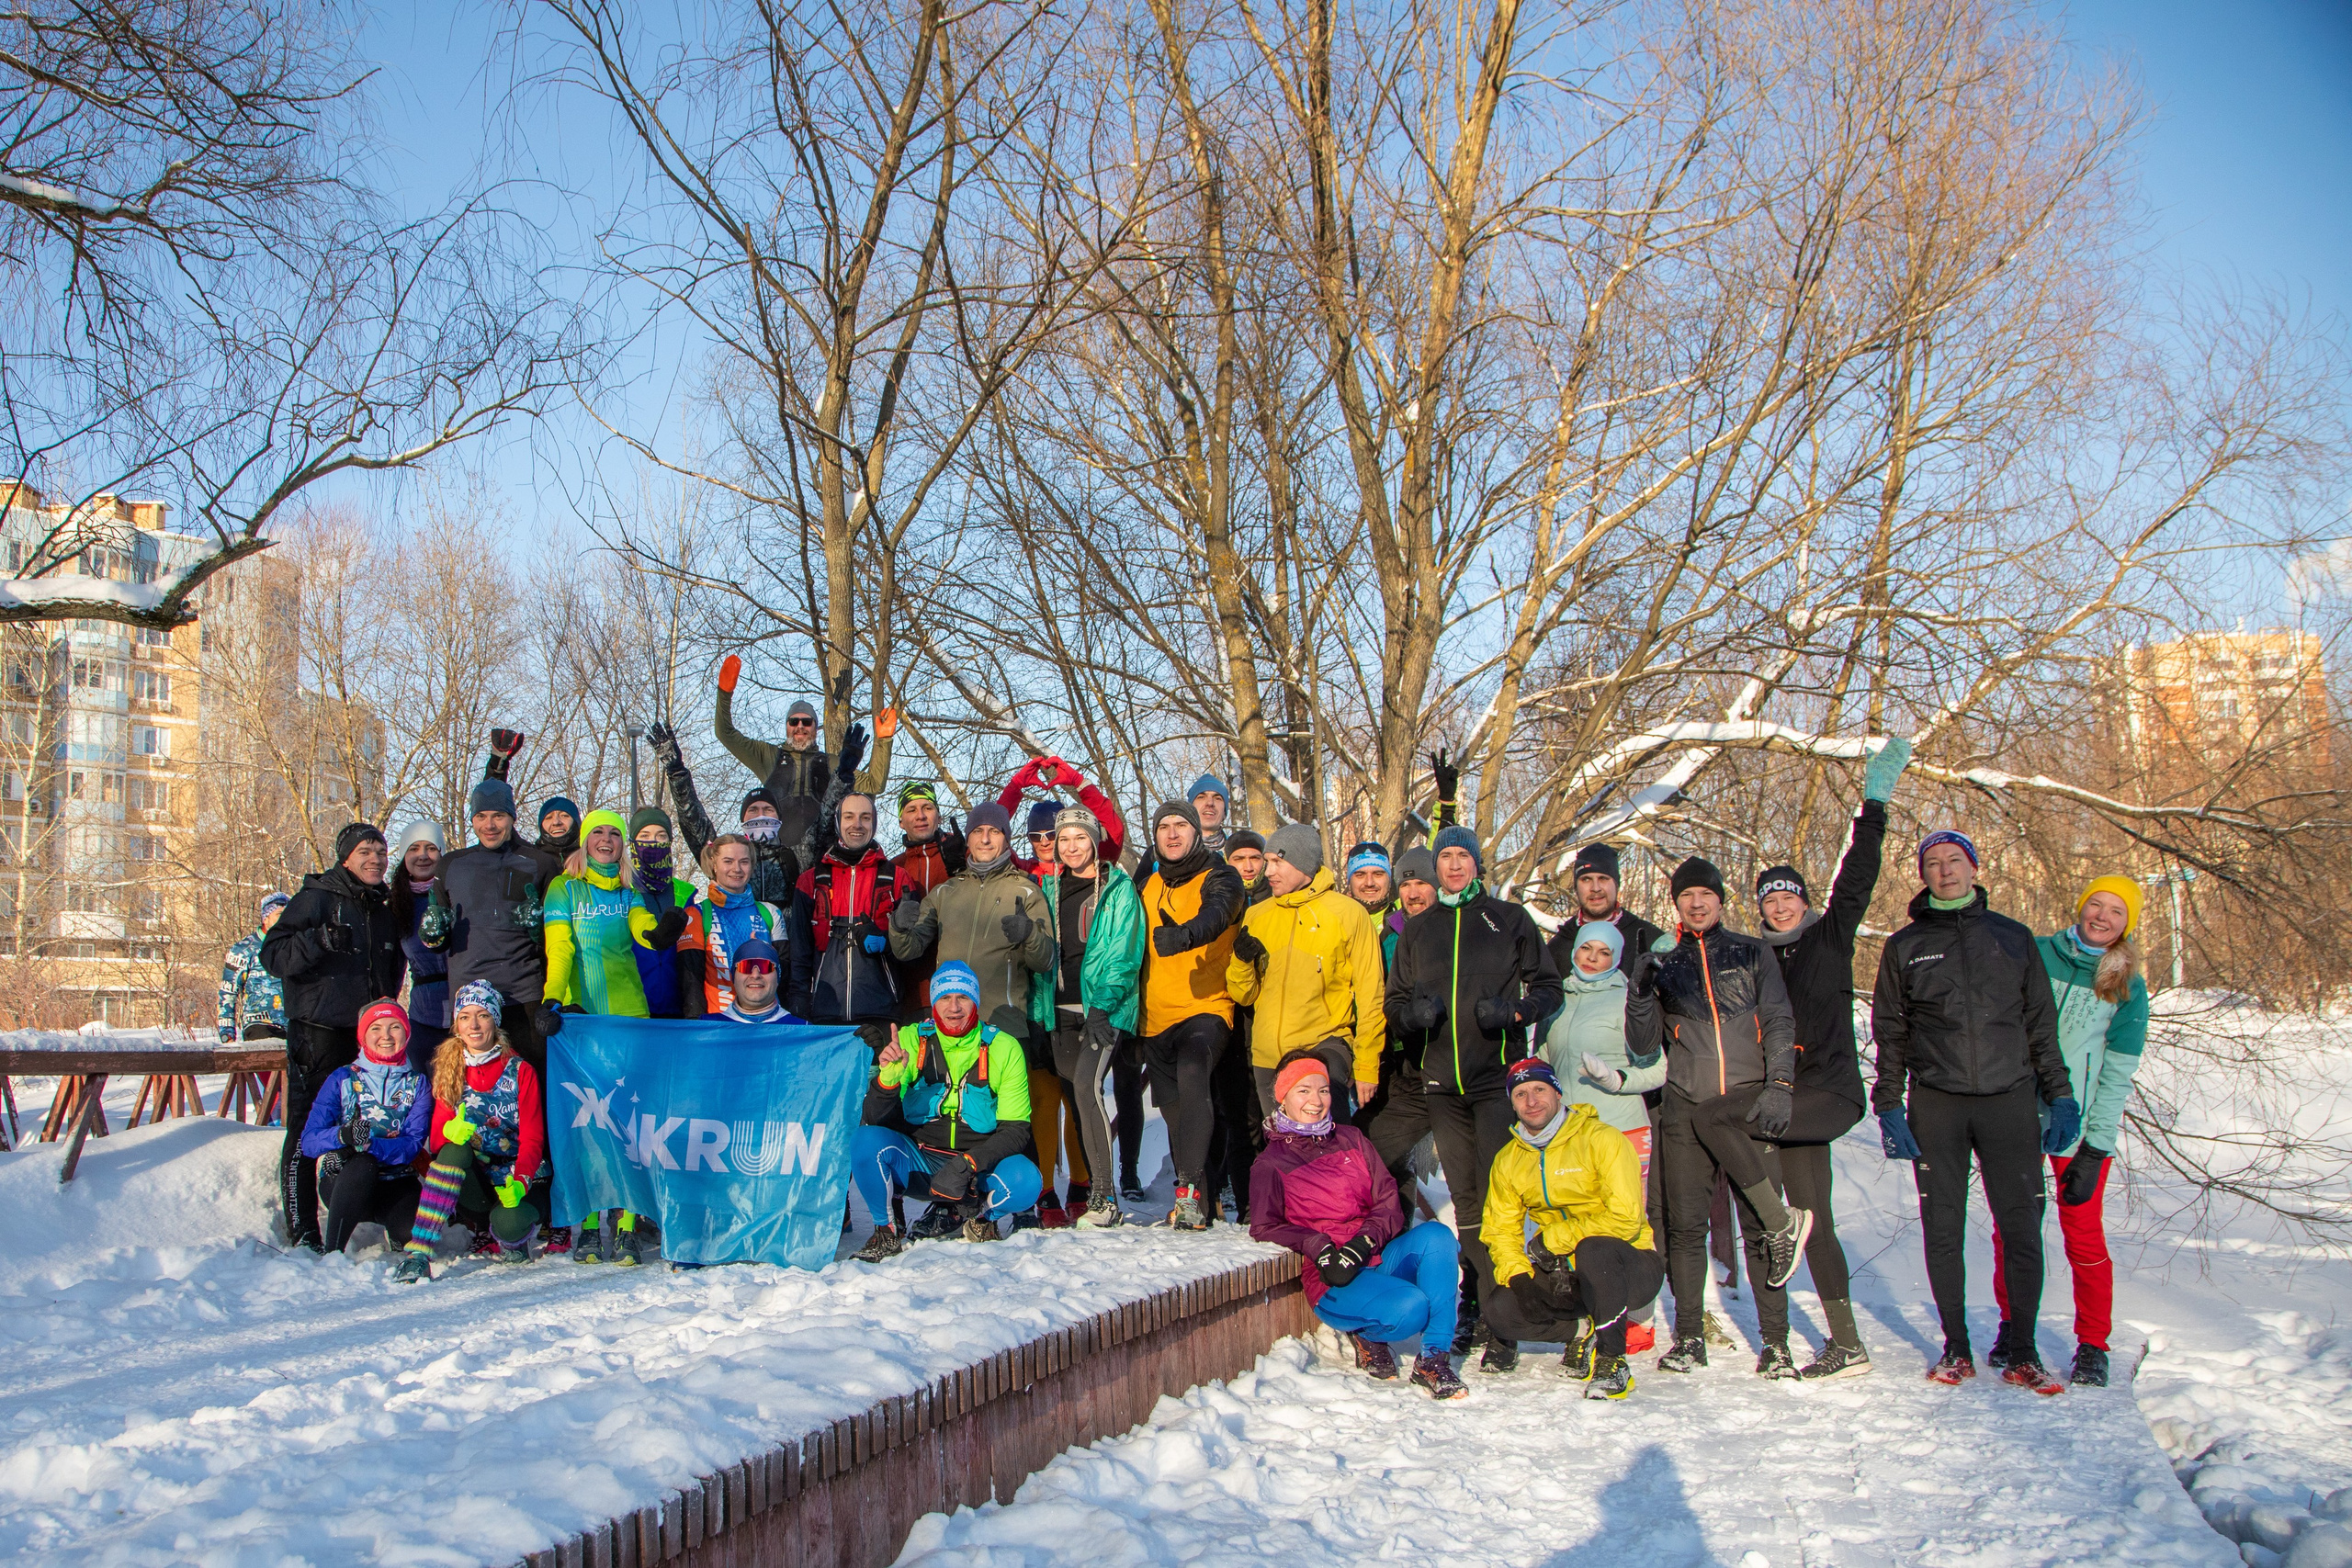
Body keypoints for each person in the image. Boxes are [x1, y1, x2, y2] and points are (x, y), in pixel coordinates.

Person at [1871, 829, 2078, 1392]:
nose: (1945, 871)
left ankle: (2023, 1350)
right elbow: (1891, 1032)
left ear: (1974, 867)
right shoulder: (1906, 946)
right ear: (1922, 875)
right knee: (1943, 1228)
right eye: (1933, 863)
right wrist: (1888, 1104)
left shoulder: (2012, 938)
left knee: (2022, 1228)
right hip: (1937, 1103)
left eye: (1955, 860)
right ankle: (1956, 1347)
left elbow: (2041, 1026)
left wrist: (2060, 1094)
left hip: (2010, 1102)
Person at [1750, 737, 1907, 1379]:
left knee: (1797, 1218)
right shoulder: (1753, 957)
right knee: (1795, 1221)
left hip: (1821, 1092)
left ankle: (1841, 1338)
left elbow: (1857, 878)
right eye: (1769, 899)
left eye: (1788, 896)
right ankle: (1805, 1341)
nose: (1780, 905)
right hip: (1777, 1095)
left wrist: (1874, 804)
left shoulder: (1829, 938)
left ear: (1804, 901)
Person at [1378, 824, 1561, 1369]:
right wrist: (1413, 1017)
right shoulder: (1419, 928)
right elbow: (1394, 1002)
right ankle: (1476, 1308)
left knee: (1499, 1202)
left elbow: (1549, 988)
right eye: (1446, 856)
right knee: (1467, 1204)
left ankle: (1504, 1323)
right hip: (1441, 1084)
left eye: (1463, 855)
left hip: (1494, 1082)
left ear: (1477, 864)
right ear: (1435, 866)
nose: (1454, 865)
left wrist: (1515, 1012)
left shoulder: (1509, 919)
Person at [1635, 854, 1813, 1377]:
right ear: (1676, 903)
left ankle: (1776, 1345)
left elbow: (1779, 1020)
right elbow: (1642, 1046)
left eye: (1705, 894)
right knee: (1686, 1228)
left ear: (1720, 899)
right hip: (1685, 1109)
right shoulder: (1666, 964)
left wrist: (1780, 1086)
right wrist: (1640, 994)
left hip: (1746, 1105)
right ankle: (1690, 1338)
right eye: (1686, 896)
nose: (1696, 903)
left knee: (1760, 1226)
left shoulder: (1753, 952)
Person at [1987, 874, 2149, 1389]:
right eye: (2096, 904)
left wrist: (2097, 1147)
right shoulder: (2035, 953)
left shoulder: (2127, 985)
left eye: (2117, 911)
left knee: (2083, 1235)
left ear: (2127, 924)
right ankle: (2013, 1327)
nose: (2103, 916)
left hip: (2077, 1128)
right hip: (2016, 1116)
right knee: (2012, 1231)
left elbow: (2117, 1074)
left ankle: (2093, 1344)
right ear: (2081, 907)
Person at [1250, 1050, 1466, 1399]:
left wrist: (1363, 1242)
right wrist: (1317, 1243)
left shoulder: (1353, 1139)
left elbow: (1388, 1199)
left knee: (1438, 1236)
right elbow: (1264, 1226)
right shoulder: (1271, 1163)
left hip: (1375, 1254)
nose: (1316, 1100)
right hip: (1334, 1276)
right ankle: (1367, 1333)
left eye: (1323, 1090)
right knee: (1412, 1308)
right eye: (1303, 1090)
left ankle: (1433, 1359)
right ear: (1283, 1097)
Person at [888, 801, 1056, 1227]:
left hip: (1005, 1020)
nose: (985, 838)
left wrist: (1029, 935)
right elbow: (909, 949)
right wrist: (899, 925)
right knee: (955, 1116)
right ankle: (952, 1200)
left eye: (994, 832)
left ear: (1006, 839)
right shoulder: (947, 892)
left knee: (1010, 1121)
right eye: (978, 831)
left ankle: (1023, 1204)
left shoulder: (1026, 891)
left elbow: (1046, 959)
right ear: (969, 839)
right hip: (950, 1025)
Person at [261, 821, 406, 1252]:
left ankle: (353, 1213)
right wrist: (317, 940)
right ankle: (303, 1227)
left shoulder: (381, 909)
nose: (375, 860)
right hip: (317, 1033)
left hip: (366, 1041)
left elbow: (392, 968)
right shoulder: (316, 898)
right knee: (307, 1127)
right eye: (365, 852)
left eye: (381, 852)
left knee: (361, 1126)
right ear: (345, 859)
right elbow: (273, 955)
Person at [1482, 1058, 1665, 1400]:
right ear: (1512, 1104)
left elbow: (1625, 1218)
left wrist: (1554, 1237)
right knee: (1499, 1311)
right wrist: (1519, 1277)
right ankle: (1582, 1329)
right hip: (1564, 1274)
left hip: (1628, 1266)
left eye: (1539, 1089)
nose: (1531, 1101)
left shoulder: (1602, 1139)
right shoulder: (1508, 1159)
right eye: (1520, 1094)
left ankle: (1613, 1362)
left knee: (1594, 1248)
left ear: (1558, 1093)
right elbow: (1499, 1229)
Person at [850, 962, 1043, 1257]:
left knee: (1027, 1181)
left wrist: (968, 1164)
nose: (954, 1007)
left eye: (963, 997)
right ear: (933, 1003)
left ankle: (978, 1218)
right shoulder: (911, 1039)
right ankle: (885, 1233)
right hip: (921, 1160)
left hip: (978, 1168)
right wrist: (887, 1079)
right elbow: (874, 1118)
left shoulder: (1005, 1047)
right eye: (944, 998)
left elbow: (1016, 1130)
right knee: (865, 1141)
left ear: (975, 1001)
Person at [1543, 920, 1666, 1355]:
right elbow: (1549, 1056)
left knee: (1628, 1222)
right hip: (1571, 1133)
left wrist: (1616, 1079)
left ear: (1617, 959)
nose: (1593, 959)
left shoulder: (1629, 998)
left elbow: (1657, 1066)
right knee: (1579, 1223)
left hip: (1621, 1126)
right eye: (1586, 949)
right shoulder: (1558, 997)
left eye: (1604, 952)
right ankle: (1593, 1313)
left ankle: (1639, 1318)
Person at [1135, 799, 1247, 1228]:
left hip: (1206, 1007)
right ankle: (1200, 1200)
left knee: (1194, 1072)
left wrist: (1186, 935)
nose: (1172, 833)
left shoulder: (1220, 875)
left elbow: (1221, 911)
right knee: (1175, 1113)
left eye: (1181, 825)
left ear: (1197, 833)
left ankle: (1188, 1192)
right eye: (1164, 826)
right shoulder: (1147, 885)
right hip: (1154, 1017)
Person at [394, 980, 550, 1282]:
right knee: (453, 1150)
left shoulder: (520, 1070)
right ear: (457, 1025)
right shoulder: (449, 1067)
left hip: (518, 1179)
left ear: (495, 1021)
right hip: (477, 1183)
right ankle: (419, 1253)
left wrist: (521, 1180)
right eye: (465, 1017)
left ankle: (512, 1238)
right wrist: (449, 1132)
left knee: (508, 1222)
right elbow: (438, 1143)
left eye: (483, 1015)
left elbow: (533, 1138)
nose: (474, 1025)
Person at [1227, 825, 1385, 1116]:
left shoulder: (1348, 914)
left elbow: (1371, 995)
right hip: (1268, 1058)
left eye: (1278, 861)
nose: (1268, 871)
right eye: (1267, 861)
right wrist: (1241, 962)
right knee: (1282, 1144)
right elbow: (1244, 996)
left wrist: (1366, 1065)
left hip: (1322, 1046)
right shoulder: (1257, 915)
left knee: (1327, 1142)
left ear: (1303, 864)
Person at [1038, 807, 1145, 1227]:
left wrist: (1102, 1006)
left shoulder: (1118, 888)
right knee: (1077, 1099)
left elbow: (1124, 952)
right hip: (1059, 1012)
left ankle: (1104, 1196)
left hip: (1104, 1011)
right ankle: (1086, 1191)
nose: (1071, 847)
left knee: (1087, 1087)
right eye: (1064, 839)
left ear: (1094, 841)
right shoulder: (1048, 888)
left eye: (1080, 838)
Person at [426, 778, 556, 1072]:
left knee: (531, 1083)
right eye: (481, 816)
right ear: (472, 820)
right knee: (468, 1088)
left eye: (498, 815)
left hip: (523, 996)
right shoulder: (451, 865)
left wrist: (539, 931)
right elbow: (438, 940)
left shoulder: (540, 863)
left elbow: (557, 937)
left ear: (512, 817)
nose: (490, 825)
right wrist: (433, 937)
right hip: (468, 1000)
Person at [300, 1000, 433, 1255]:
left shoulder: (418, 1084)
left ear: (406, 1033)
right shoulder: (342, 1078)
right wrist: (343, 1135)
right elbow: (309, 1141)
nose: (386, 1036)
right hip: (346, 1182)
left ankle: (397, 1235)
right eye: (376, 1028)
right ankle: (333, 1251)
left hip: (396, 1181)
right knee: (363, 1164)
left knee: (410, 1233)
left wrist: (370, 1144)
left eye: (395, 1027)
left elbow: (412, 1144)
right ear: (363, 1036)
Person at [790, 788, 904, 1043]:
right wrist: (798, 1001)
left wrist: (887, 943)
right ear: (837, 822)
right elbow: (800, 952)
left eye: (865, 817)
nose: (857, 824)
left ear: (874, 823)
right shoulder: (810, 881)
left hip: (881, 1014)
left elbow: (913, 952)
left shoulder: (897, 878)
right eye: (849, 817)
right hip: (824, 1014)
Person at [648, 722, 804, 906]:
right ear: (742, 819)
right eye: (753, 810)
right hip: (736, 923)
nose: (760, 815)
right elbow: (694, 821)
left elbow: (825, 821)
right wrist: (677, 774)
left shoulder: (796, 856)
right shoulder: (724, 855)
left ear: (779, 817)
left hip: (783, 925)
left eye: (768, 809)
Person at [711, 656, 833, 848]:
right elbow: (725, 734)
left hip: (822, 855)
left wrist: (882, 739)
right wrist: (724, 694)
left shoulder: (831, 763)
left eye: (807, 722)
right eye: (793, 721)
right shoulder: (769, 756)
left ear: (815, 728)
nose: (800, 726)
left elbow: (874, 783)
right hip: (777, 853)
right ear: (786, 726)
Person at [678, 834, 788, 1017]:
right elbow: (691, 985)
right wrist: (697, 1025)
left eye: (744, 862)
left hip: (766, 1022)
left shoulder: (769, 912)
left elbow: (784, 976)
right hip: (719, 1022)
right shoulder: (696, 914)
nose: (736, 869)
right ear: (714, 865)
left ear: (752, 866)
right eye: (728, 861)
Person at [888, 781, 967, 1020]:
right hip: (912, 995)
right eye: (911, 810)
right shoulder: (893, 868)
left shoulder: (960, 853)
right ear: (901, 821)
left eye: (927, 808)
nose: (920, 816)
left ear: (939, 817)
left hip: (960, 992)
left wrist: (963, 868)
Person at [388, 824, 451, 1069]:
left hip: (465, 1012)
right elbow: (392, 968)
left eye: (431, 848)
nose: (423, 855)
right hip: (423, 1015)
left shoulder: (457, 892)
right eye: (414, 848)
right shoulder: (396, 904)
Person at [626, 807, 698, 1018]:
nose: (653, 842)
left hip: (677, 1010)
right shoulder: (621, 890)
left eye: (661, 836)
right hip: (632, 1010)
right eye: (644, 836)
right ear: (632, 842)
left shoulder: (685, 894)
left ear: (670, 841)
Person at [1000, 755, 1127, 866]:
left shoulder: (1086, 866)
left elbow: (1114, 831)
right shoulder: (1020, 871)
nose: (1044, 842)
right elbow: (991, 832)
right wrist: (1015, 786)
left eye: (1052, 834)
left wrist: (1081, 784)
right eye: (1036, 836)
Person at [1561, 843, 1663, 975]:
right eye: (1586, 879)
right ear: (1576, 887)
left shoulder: (1649, 939)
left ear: (1616, 884)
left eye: (1603, 878)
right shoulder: (1559, 946)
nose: (1596, 888)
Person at [218, 892, 290, 1044]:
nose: (285, 919)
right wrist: (227, 1033)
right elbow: (228, 993)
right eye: (279, 914)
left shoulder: (295, 946)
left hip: (294, 1026)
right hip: (260, 1024)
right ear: (266, 918)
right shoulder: (243, 950)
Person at [707, 936, 805, 1025]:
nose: (755, 975)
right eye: (746, 966)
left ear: (778, 976)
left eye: (765, 966)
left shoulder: (802, 1030)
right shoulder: (706, 1028)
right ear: (733, 976)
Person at [1343, 842, 1394, 921]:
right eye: (1360, 875)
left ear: (1389, 880)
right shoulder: (1335, 919)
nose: (1369, 883)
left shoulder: (1407, 915)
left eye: (1378, 874)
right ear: (1349, 882)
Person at [1189, 773, 1232, 856]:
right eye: (1201, 797)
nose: (1210, 803)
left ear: (1224, 812)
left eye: (1217, 798)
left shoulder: (1240, 853)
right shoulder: (1172, 853)